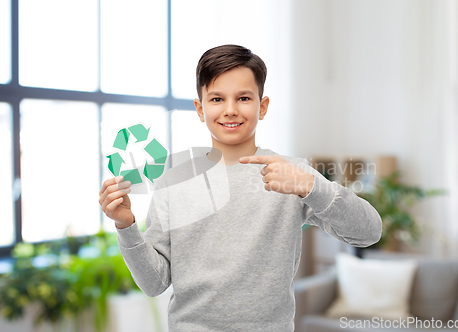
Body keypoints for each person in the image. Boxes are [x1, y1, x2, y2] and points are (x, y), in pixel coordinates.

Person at [98, 44, 382, 331]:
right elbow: (154, 283)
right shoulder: (173, 181)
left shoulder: (292, 174)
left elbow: (369, 232)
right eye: (217, 99)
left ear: (263, 106)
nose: (230, 110)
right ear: (200, 108)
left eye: (244, 98)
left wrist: (311, 185)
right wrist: (126, 226)